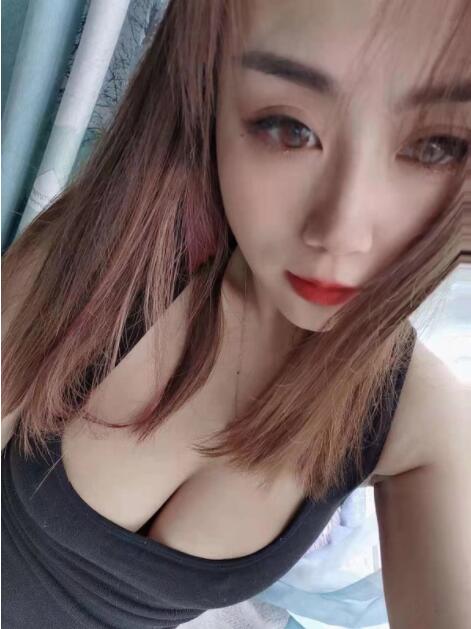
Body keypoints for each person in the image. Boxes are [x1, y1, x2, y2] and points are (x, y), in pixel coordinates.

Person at [2, 0, 470, 627]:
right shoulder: (108, 262)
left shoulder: (423, 422)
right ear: (211, 103)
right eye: (288, 129)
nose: (341, 233)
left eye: (437, 147)